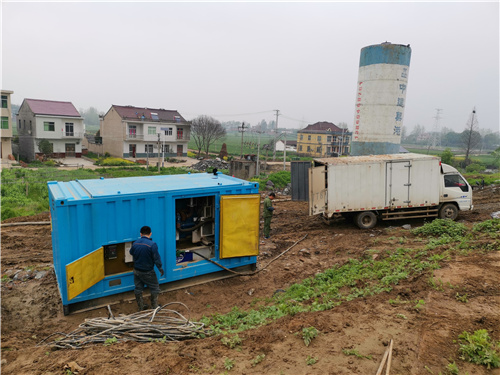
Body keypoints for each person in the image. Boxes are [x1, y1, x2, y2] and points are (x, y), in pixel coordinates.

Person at [130, 226, 164, 311]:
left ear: (141, 234)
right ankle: (154, 307)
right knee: (155, 288)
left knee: (138, 288)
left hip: (136, 270)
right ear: (150, 234)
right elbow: (156, 258)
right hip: (147, 271)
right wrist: (160, 268)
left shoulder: (135, 243)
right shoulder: (152, 245)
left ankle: (141, 307)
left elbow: (131, 252)